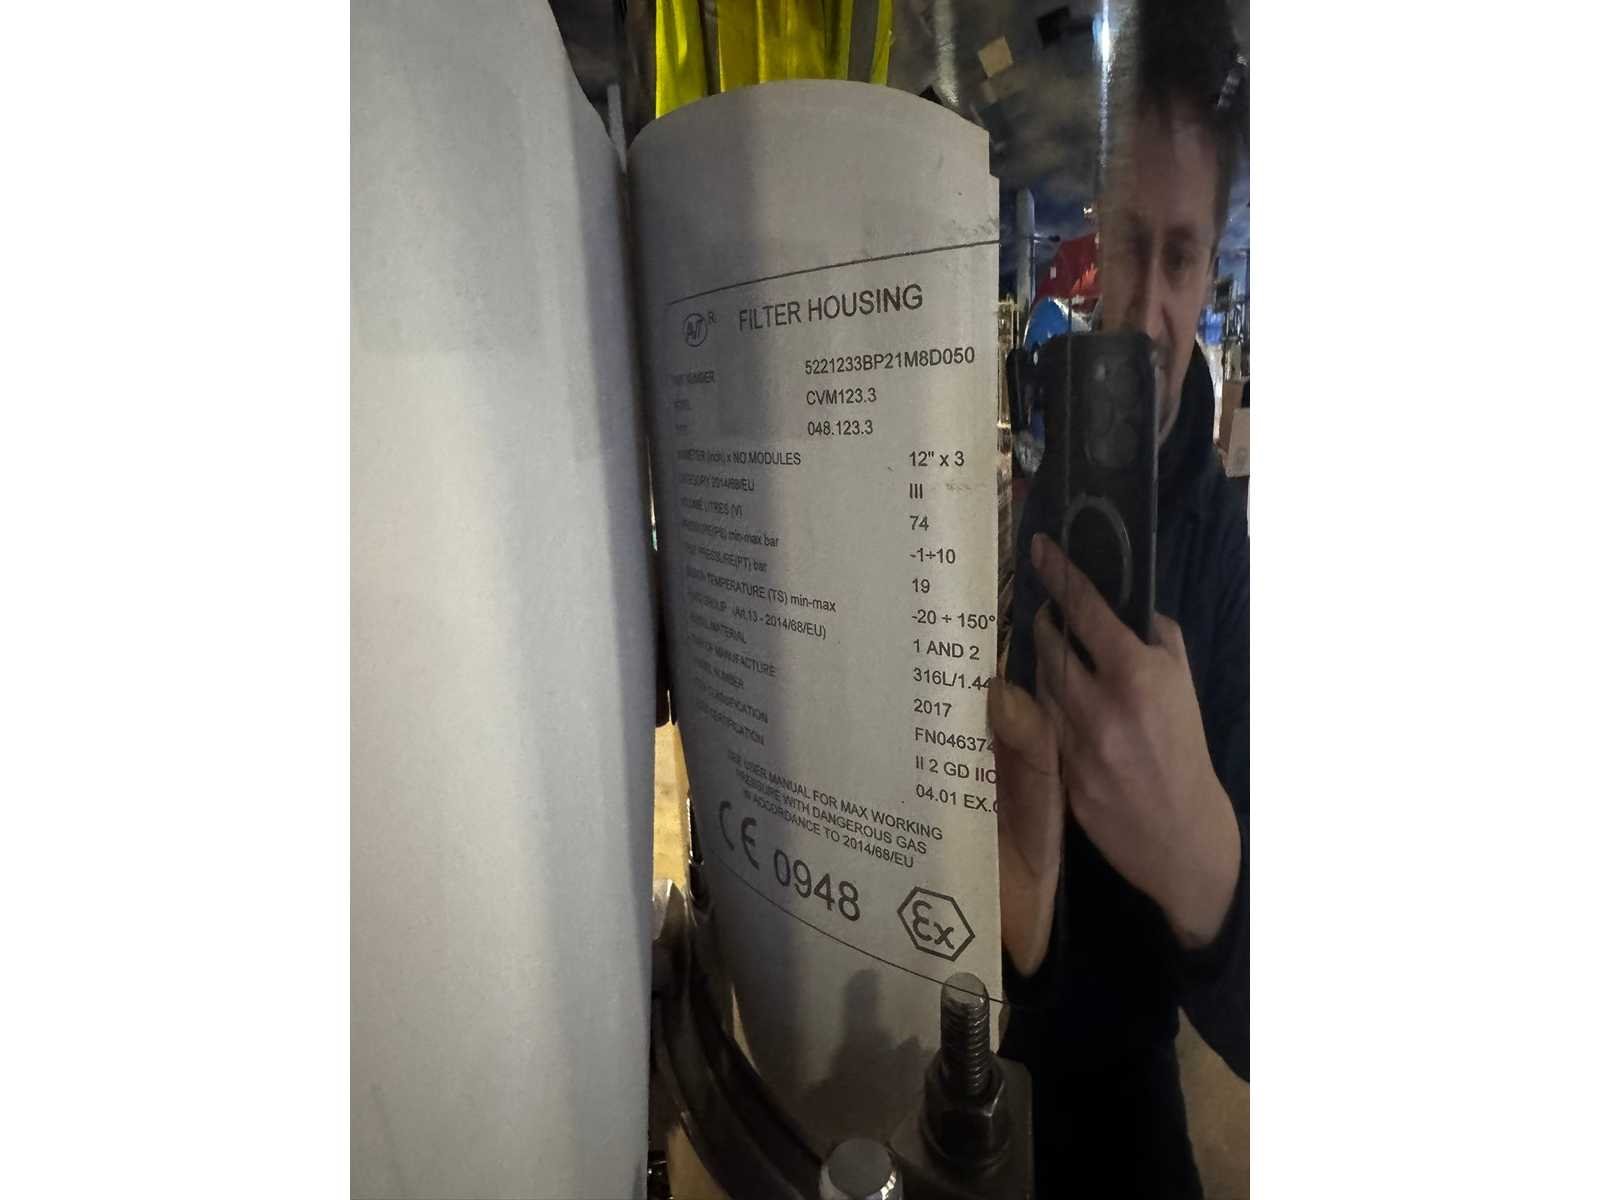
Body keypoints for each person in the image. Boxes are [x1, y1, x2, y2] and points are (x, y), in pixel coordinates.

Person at [990, 2, 1249, 1194]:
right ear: (1097, 227)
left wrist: (1204, 867)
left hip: (1126, 1078)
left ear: (1210, 266)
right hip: (998, 1020)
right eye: (1130, 242)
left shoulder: (1228, 553)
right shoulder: (1044, 481)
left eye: (1180, 256)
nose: (1145, 310)